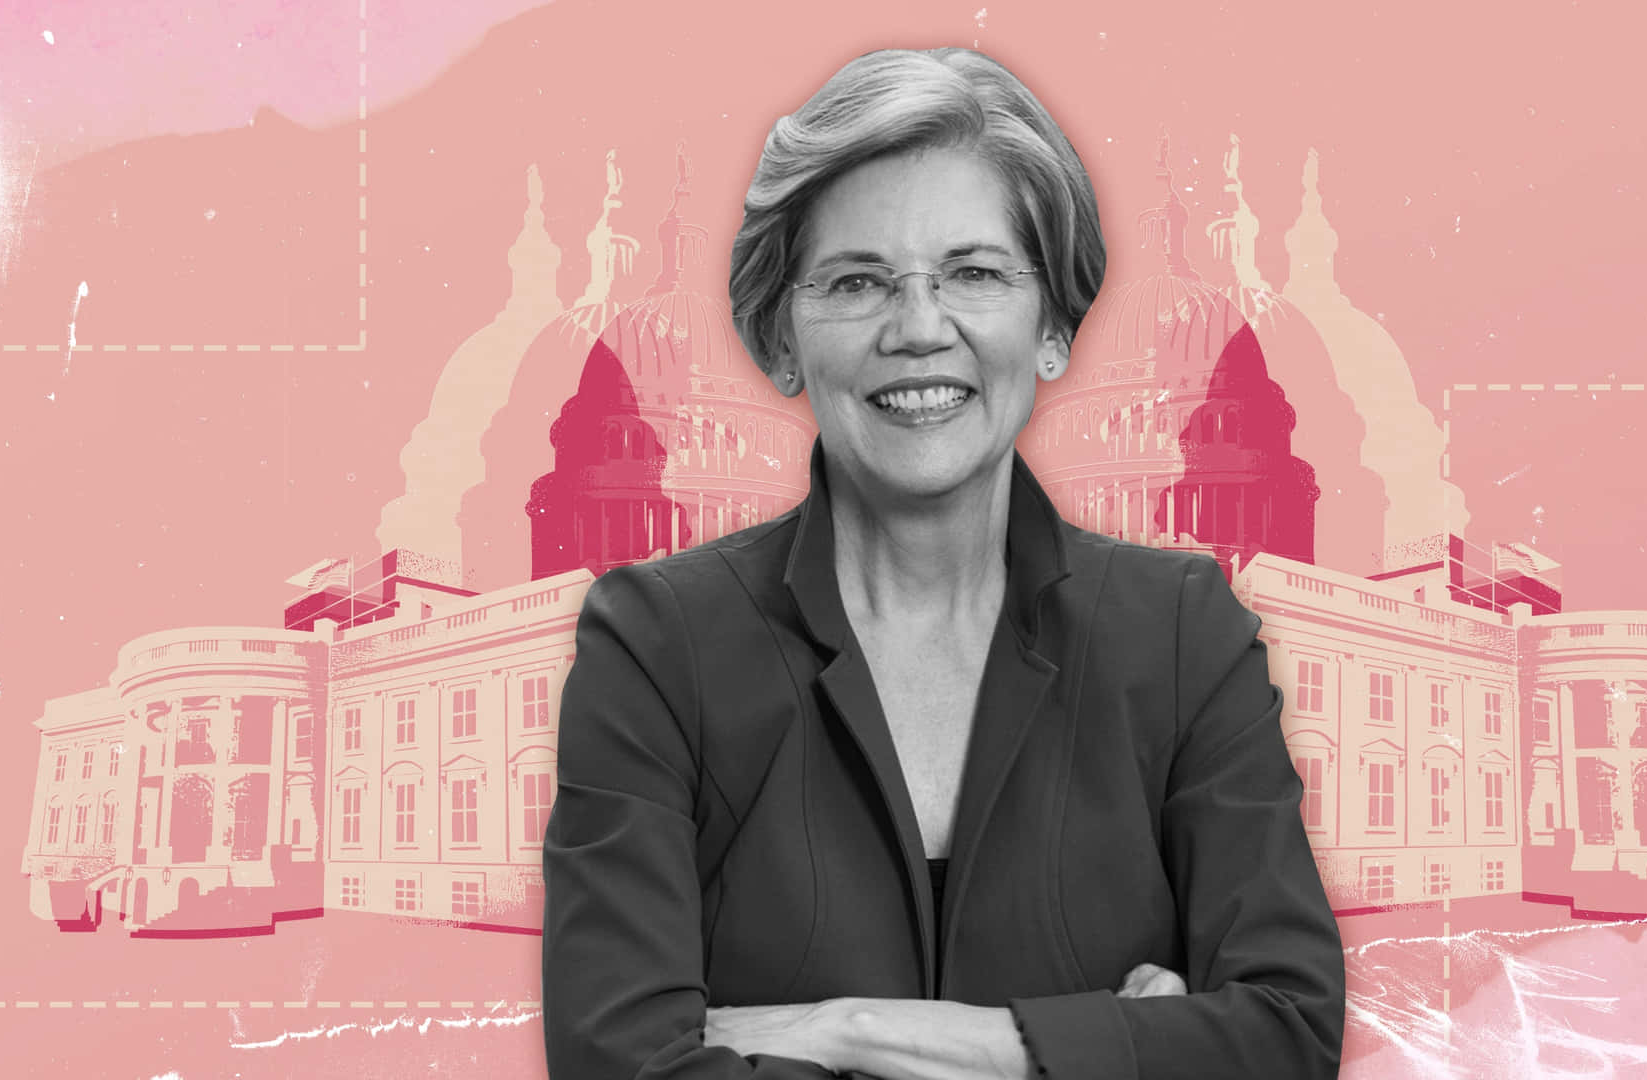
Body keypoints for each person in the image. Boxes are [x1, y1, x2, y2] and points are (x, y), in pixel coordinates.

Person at [542, 46, 1345, 1079]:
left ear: (1052, 325)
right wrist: (1113, 1043)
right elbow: (618, 1065)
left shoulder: (1186, 636)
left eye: (974, 272)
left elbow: (1284, 1038)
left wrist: (847, 1031)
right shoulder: (655, 647)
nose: (919, 329)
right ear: (782, 340)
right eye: (857, 281)